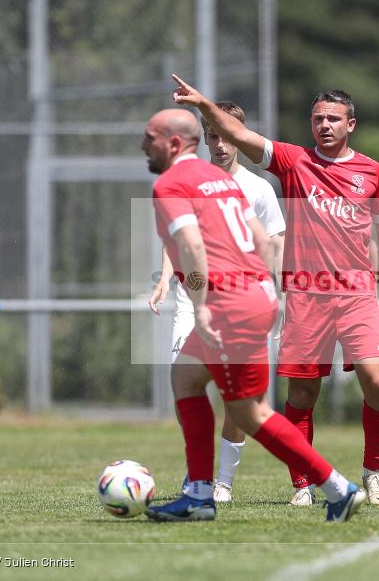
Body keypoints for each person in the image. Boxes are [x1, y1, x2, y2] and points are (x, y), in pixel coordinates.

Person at [172, 74, 379, 507]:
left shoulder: (373, 172)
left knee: (376, 382)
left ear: (351, 124)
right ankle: (303, 485)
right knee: (301, 396)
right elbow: (239, 133)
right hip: (305, 297)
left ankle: (373, 471)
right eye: (318, 118)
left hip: (356, 295)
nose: (325, 125)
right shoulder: (294, 161)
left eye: (334, 119)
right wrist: (203, 103)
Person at [142, 108, 366, 523]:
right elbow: (262, 240)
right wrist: (269, 297)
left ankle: (337, 487)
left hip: (228, 302)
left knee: (250, 413)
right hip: (254, 296)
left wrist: (204, 306)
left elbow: (191, 247)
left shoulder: (172, 183)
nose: (143, 145)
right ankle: (201, 492)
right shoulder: (221, 181)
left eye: (149, 137)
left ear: (174, 143)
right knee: (187, 378)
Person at [149, 101, 286, 503]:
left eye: (227, 136)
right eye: (212, 135)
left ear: (239, 137)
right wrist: (162, 280)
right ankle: (200, 475)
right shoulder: (190, 179)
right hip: (193, 299)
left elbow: (272, 242)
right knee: (184, 383)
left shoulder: (258, 187)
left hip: (238, 301)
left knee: (238, 401)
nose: (221, 144)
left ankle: (221, 481)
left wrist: (273, 291)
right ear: (204, 138)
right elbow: (179, 237)